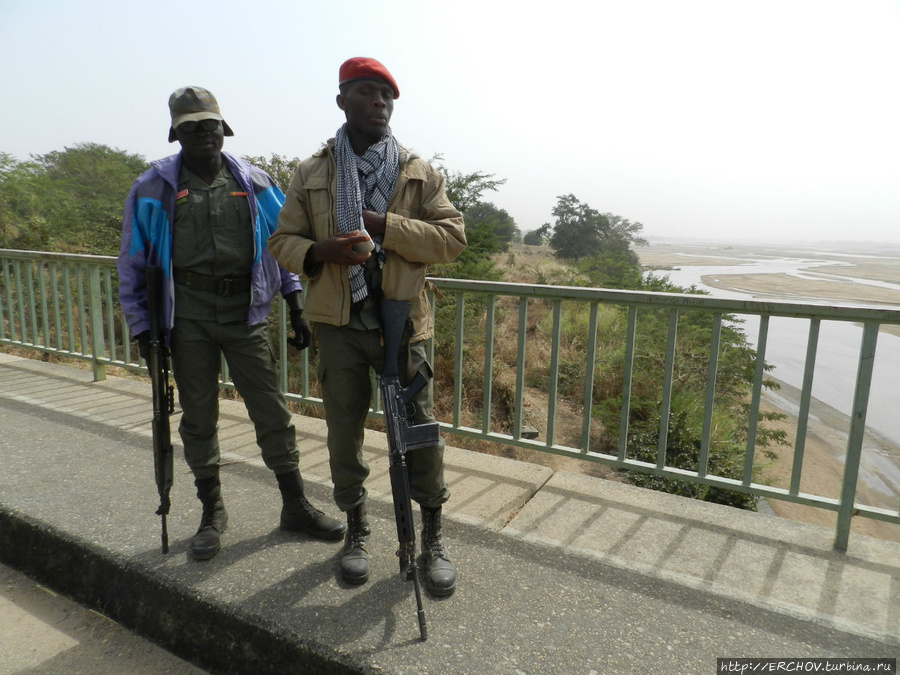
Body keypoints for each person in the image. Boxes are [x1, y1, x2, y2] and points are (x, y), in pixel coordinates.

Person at [118, 86, 345, 561]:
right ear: (175, 132)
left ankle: (295, 504)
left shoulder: (255, 182)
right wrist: (142, 327)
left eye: (209, 124)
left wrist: (296, 302)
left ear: (224, 127)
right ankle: (212, 511)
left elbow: (283, 242)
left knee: (271, 410)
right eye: (190, 127)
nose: (202, 134)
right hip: (187, 319)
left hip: (247, 312)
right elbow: (133, 263)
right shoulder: (152, 187)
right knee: (198, 418)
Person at [268, 58, 466, 597]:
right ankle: (356, 529)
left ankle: (431, 538)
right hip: (339, 323)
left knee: (419, 433)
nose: (379, 102)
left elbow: (451, 238)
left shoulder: (417, 171)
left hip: (404, 323)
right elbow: (280, 242)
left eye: (386, 94)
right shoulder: (312, 171)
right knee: (343, 430)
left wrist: (384, 226)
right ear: (342, 101)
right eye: (366, 92)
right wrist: (320, 251)